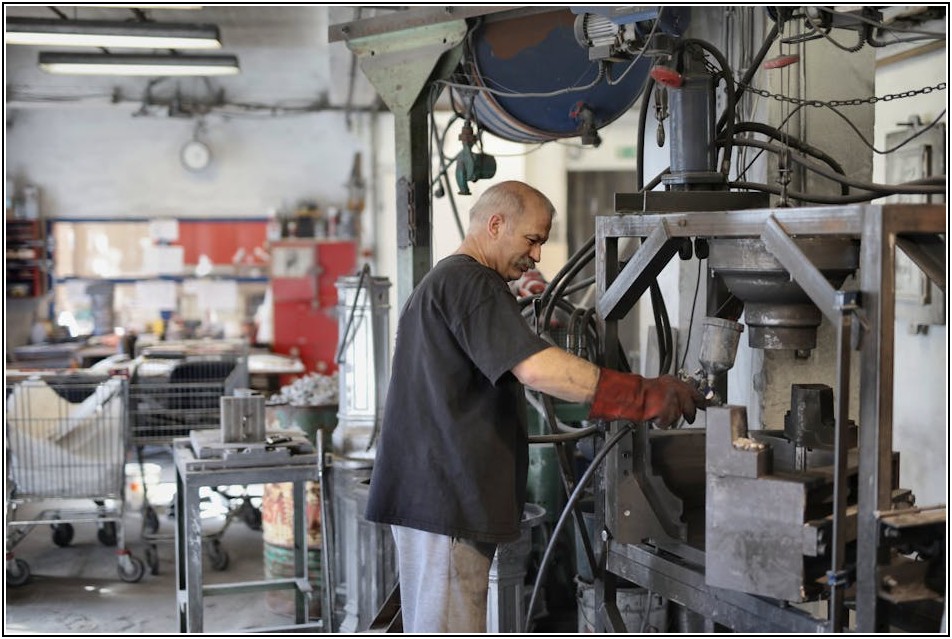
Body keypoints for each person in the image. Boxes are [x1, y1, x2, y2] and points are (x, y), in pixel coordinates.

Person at [365, 180, 704, 633]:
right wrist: (643, 395)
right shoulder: (470, 281)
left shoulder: (450, 281)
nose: (538, 255)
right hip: (446, 503)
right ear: (495, 224)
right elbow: (538, 369)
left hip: (440, 502)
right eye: (532, 239)